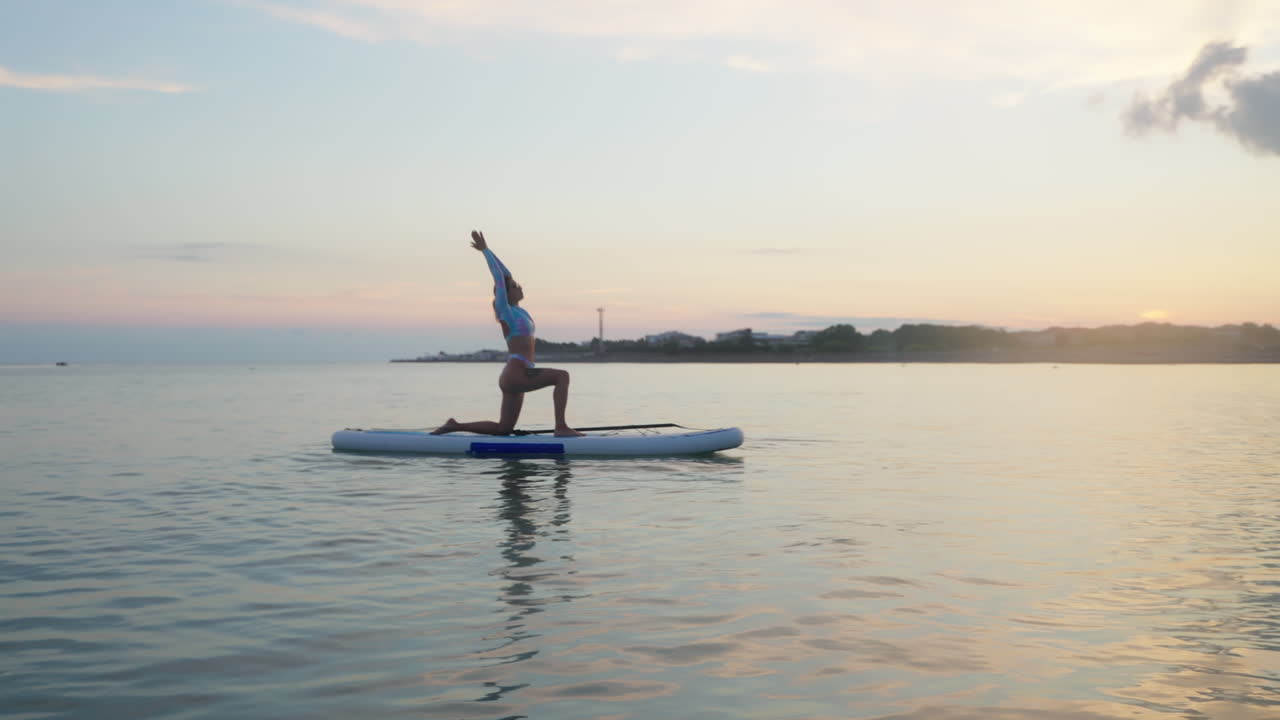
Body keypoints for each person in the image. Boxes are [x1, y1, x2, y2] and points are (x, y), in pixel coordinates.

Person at [432, 230, 585, 437]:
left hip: (518, 374)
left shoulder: (521, 311)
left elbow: (506, 274)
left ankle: (454, 426)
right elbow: (499, 277)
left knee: (503, 429)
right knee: (562, 377)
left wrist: (490, 251)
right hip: (517, 373)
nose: (518, 286)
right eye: (514, 286)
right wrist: (484, 251)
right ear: (504, 292)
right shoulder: (506, 311)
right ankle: (561, 428)